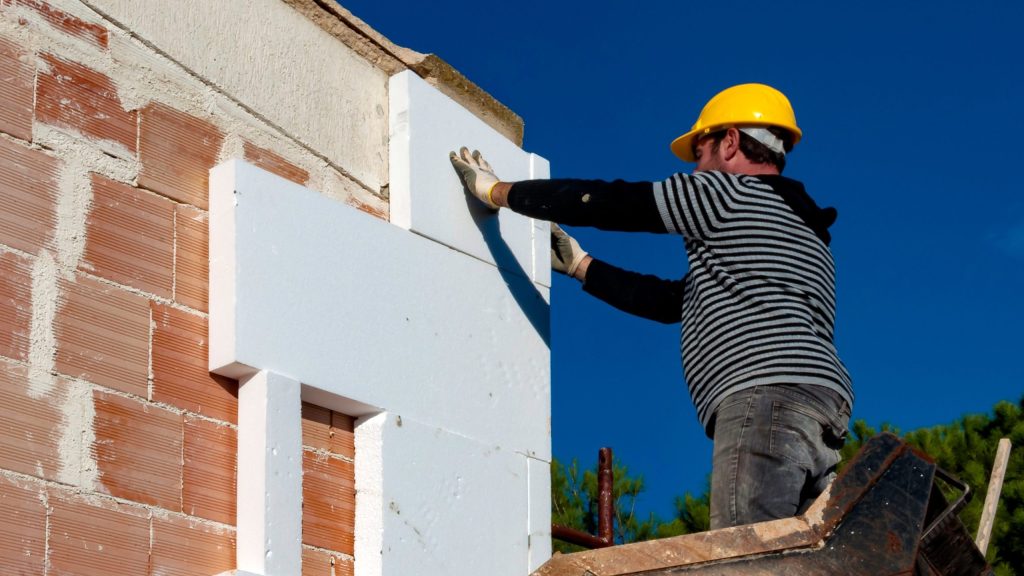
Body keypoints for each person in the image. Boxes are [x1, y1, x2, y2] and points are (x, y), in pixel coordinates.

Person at [450, 83, 853, 530]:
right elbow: (673, 302)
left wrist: (499, 192)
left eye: (699, 154)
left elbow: (613, 203)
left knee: (744, 555)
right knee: (799, 556)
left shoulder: (727, 194)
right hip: (820, 409)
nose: (696, 169)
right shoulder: (805, 234)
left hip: (764, 397)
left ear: (731, 142)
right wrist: (581, 265)